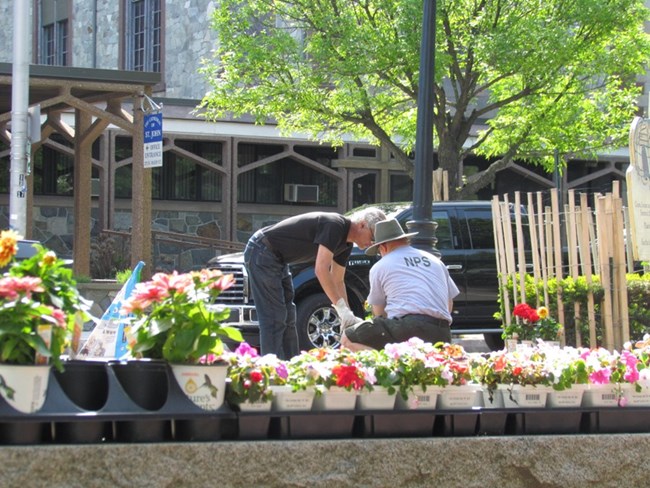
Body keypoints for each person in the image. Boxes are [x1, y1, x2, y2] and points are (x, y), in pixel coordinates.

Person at [243, 207, 386, 359]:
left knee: (290, 317)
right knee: (274, 318)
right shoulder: (335, 225)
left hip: (278, 259)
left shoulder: (346, 245)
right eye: (372, 237)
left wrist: (347, 316)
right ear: (362, 225)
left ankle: (289, 368)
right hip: (263, 250)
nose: (372, 243)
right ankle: (271, 372)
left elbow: (338, 280)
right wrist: (341, 308)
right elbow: (321, 269)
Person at [341, 218, 460, 351]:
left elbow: (379, 313)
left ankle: (387, 364)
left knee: (347, 338)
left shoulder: (381, 266)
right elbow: (448, 305)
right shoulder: (436, 261)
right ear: (405, 240)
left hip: (406, 327)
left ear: (383, 247)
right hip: (441, 332)